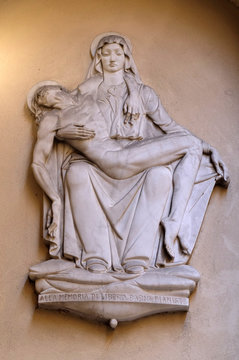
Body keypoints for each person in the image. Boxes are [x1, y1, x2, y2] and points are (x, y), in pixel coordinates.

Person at [30, 34, 229, 274]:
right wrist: (61, 134)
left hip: (134, 155)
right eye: (106, 53)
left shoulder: (143, 93)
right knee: (77, 172)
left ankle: (141, 254)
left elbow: (170, 128)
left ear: (127, 59)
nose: (112, 58)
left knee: (160, 174)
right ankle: (97, 256)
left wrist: (208, 147)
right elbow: (43, 152)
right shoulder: (83, 94)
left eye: (118, 53)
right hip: (100, 161)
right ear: (98, 59)